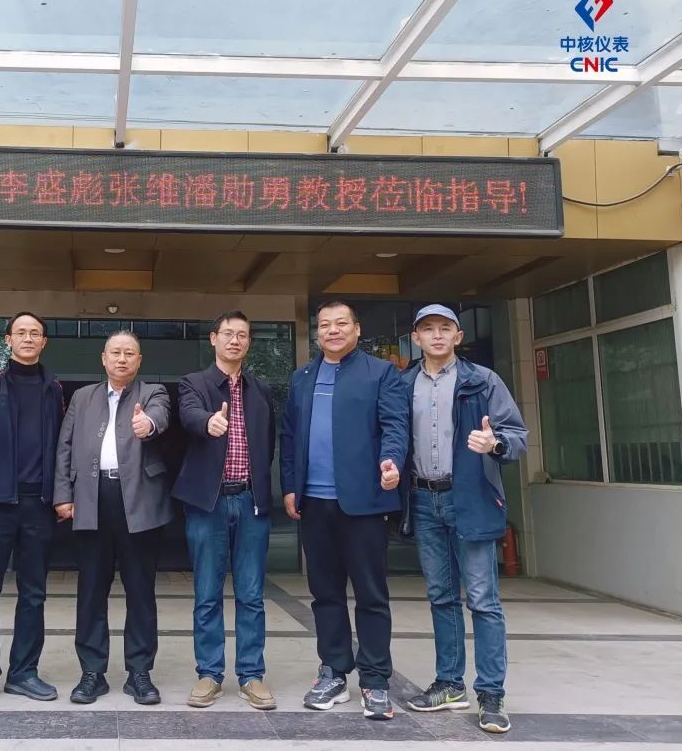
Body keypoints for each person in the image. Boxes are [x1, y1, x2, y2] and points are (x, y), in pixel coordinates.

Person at [401, 304, 528, 734]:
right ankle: (449, 684)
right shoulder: (404, 384)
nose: (436, 335)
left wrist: (495, 443)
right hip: (424, 499)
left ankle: (491, 693)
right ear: (416, 338)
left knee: (483, 599)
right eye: (428, 329)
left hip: (470, 497)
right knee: (441, 596)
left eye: (445, 328)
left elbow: (517, 437)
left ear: (458, 336)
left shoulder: (483, 381)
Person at [281, 300, 409, 721]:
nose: (332, 331)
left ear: (357, 329)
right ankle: (334, 671)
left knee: (371, 594)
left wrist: (391, 461)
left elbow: (395, 425)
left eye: (341, 324)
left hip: (364, 503)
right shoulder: (302, 377)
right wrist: (289, 487)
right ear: (317, 332)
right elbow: (289, 437)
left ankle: (375, 680)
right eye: (324, 325)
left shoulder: (381, 372)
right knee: (325, 594)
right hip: (314, 503)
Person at [54, 331, 173, 705]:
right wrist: (63, 494)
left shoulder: (152, 392)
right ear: (103, 358)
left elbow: (159, 417)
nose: (122, 359)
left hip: (138, 501)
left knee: (140, 591)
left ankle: (140, 672)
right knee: (91, 590)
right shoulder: (82, 397)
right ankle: (92, 672)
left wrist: (147, 425)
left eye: (129, 353)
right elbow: (65, 446)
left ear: (139, 360)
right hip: (92, 499)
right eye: (116, 353)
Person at [172, 311, 277, 711]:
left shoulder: (261, 389)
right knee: (207, 593)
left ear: (249, 342)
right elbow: (188, 415)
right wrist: (208, 423)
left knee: (251, 594)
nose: (235, 340)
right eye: (228, 333)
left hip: (251, 501)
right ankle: (209, 674)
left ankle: (251, 675)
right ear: (213, 338)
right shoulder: (194, 383)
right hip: (208, 503)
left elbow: (268, 443)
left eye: (243, 335)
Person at [0, 311, 65, 707]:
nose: (27, 338)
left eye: (35, 333)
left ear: (44, 342)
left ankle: (24, 673)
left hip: (38, 503)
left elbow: (62, 443)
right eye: (20, 332)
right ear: (8, 340)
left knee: (33, 593)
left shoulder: (53, 387)